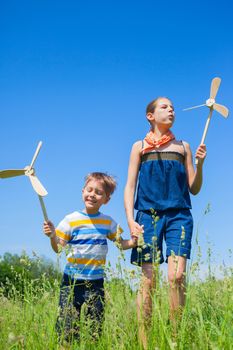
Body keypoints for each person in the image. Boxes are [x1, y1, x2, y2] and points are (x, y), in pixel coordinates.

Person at [124, 97, 206, 348]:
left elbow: (194, 188)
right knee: (149, 280)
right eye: (164, 106)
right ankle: (144, 342)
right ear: (150, 115)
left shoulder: (183, 147)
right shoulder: (139, 146)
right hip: (147, 216)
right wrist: (130, 220)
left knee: (177, 277)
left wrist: (200, 164)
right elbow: (130, 186)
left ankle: (175, 339)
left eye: (172, 107)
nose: (170, 110)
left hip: (179, 214)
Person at [43, 172, 142, 343]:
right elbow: (58, 248)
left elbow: (120, 244)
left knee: (94, 331)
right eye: (89, 190)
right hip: (71, 282)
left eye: (98, 192)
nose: (92, 195)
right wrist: (53, 236)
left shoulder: (107, 222)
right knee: (66, 330)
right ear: (83, 192)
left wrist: (134, 241)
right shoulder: (71, 220)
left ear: (106, 199)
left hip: (96, 283)